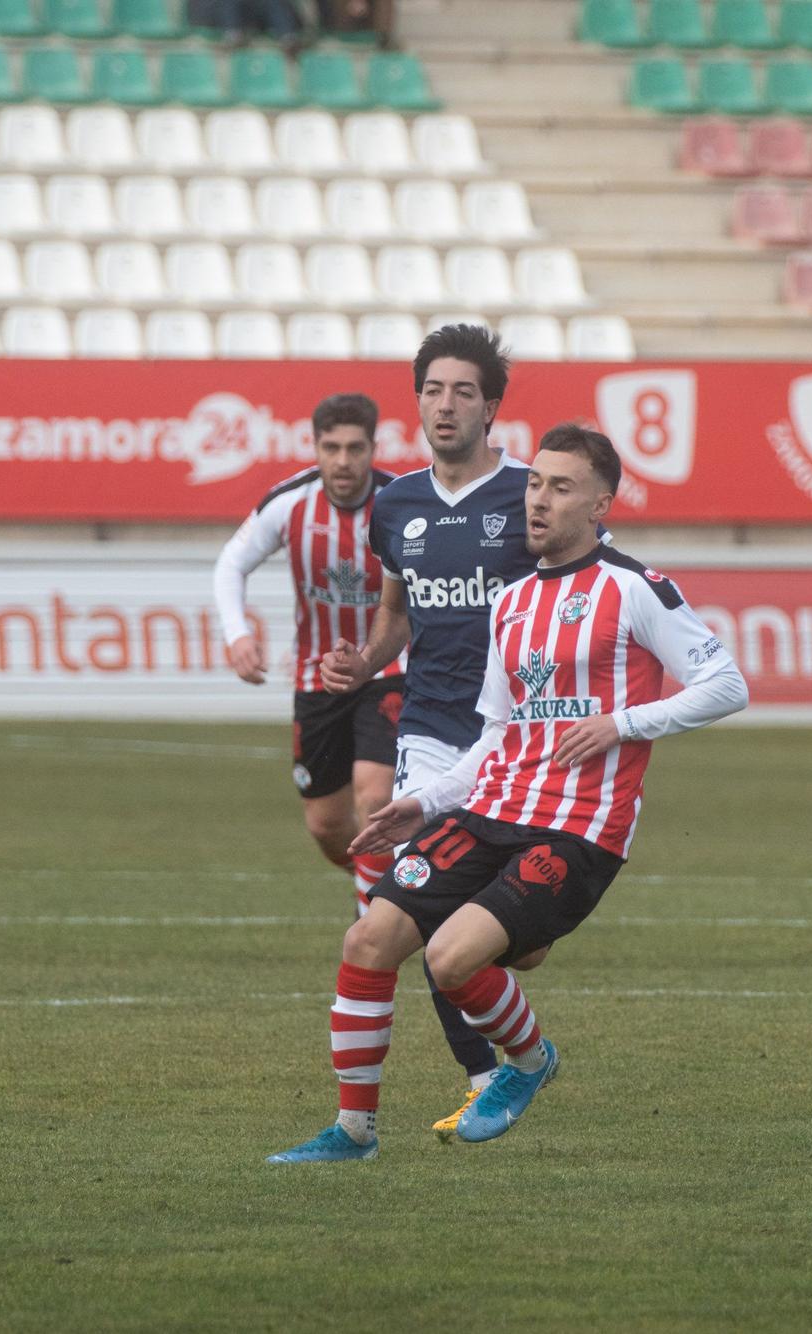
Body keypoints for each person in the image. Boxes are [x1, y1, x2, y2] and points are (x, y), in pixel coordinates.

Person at [269, 423, 748, 1162]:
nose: (539, 500)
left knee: (451, 959)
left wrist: (619, 724)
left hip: (577, 828)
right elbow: (497, 736)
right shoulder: (513, 601)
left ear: (601, 505)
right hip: (491, 808)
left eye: (561, 488)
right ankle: (353, 1134)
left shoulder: (635, 589)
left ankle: (529, 1062)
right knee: (369, 938)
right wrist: (422, 805)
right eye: (534, 484)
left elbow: (726, 684)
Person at [318, 324, 541, 1140]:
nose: (445, 407)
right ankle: (484, 1076)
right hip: (432, 732)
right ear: (417, 402)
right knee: (417, 915)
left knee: (518, 949)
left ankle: (507, 1049)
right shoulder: (396, 505)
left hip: (520, 741)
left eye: (463, 392)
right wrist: (365, 659)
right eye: (433, 391)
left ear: (491, 407)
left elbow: (593, 580)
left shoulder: (530, 496)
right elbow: (395, 613)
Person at [214, 393, 402, 915]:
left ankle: (375, 931)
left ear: (373, 448)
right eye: (332, 447)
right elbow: (231, 564)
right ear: (316, 448)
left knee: (375, 797)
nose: (344, 460)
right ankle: (387, 885)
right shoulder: (290, 503)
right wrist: (237, 634)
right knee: (326, 826)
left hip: (388, 668)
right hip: (316, 676)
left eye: (355, 448)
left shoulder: (402, 503)